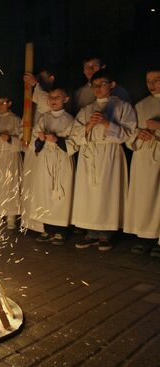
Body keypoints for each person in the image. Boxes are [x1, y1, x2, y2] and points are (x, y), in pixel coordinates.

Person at [72, 69, 137, 251]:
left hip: (110, 155)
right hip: (90, 154)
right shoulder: (86, 109)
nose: (98, 88)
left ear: (112, 85)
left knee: (107, 193)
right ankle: (90, 232)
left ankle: (105, 234)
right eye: (95, 85)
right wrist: (90, 125)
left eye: (103, 84)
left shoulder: (123, 107)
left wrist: (107, 123)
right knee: (89, 194)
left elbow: (128, 134)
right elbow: (75, 136)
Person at [30, 87, 77, 245]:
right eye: (51, 97)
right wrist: (41, 139)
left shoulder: (70, 120)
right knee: (44, 191)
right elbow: (34, 143)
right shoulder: (43, 118)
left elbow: (75, 143)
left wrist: (57, 140)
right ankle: (47, 228)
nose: (53, 100)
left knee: (61, 193)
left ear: (66, 99)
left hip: (61, 159)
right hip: (45, 159)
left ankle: (61, 231)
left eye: (57, 97)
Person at [124, 67, 160, 256]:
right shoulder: (140, 106)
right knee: (146, 197)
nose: (152, 85)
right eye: (148, 81)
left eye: (157, 80)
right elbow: (130, 134)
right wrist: (139, 134)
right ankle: (145, 236)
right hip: (144, 158)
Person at [20, 68, 56, 233]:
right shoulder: (34, 97)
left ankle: (45, 225)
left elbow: (47, 104)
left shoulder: (54, 97)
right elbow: (26, 120)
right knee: (30, 183)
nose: (39, 79)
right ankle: (30, 222)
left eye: (42, 76)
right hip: (32, 147)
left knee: (43, 186)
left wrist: (36, 86)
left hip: (46, 149)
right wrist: (24, 136)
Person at [0, 96, 22, 230]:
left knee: (10, 185)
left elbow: (23, 141)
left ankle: (11, 218)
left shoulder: (15, 120)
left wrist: (9, 139)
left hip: (9, 157)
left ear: (10, 103)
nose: (0, 105)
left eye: (3, 103)